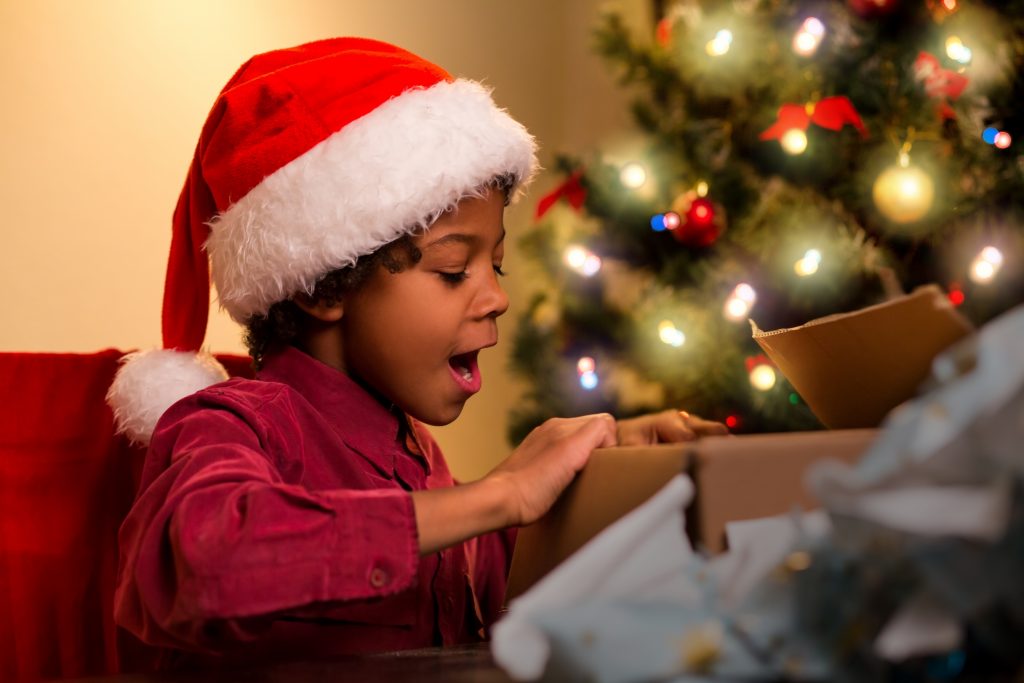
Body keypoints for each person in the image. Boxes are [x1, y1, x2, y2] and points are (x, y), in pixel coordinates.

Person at [107, 37, 726, 670]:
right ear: (326, 285)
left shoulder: (422, 461)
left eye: (498, 267)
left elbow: (520, 606)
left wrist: (608, 478)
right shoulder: (230, 423)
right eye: (455, 269)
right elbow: (203, 559)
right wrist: (501, 494)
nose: (496, 299)